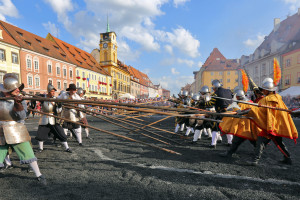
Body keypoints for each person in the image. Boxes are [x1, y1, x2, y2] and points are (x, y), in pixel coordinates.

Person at [0, 73, 46, 185]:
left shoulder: (21, 99)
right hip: (0, 129)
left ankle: (39, 175)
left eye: (18, 88)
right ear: (8, 89)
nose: (18, 90)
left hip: (16, 129)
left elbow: (22, 116)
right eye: (15, 88)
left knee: (28, 152)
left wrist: (18, 104)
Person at [246, 78, 298, 165]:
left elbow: (258, 111)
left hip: (271, 126)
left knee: (261, 141)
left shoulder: (267, 100)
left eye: (263, 89)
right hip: (276, 125)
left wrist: (248, 110)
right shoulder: (278, 98)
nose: (262, 91)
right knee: (279, 142)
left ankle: (254, 160)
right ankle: (288, 158)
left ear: (267, 90)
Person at [219, 89, 257, 157]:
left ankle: (229, 153)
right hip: (248, 126)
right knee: (251, 140)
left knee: (237, 141)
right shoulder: (250, 102)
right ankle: (258, 152)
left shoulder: (243, 104)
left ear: (238, 97)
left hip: (244, 126)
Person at [35, 84, 72, 153]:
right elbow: (36, 98)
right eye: (52, 91)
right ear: (48, 92)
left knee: (61, 133)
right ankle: (40, 148)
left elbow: (58, 111)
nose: (53, 93)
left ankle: (67, 147)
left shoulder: (56, 99)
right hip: (44, 118)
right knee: (41, 134)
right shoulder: (43, 98)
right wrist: (38, 96)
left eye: (54, 91)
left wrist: (59, 106)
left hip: (53, 118)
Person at [199, 80, 232, 148]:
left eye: (213, 88)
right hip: (231, 112)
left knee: (215, 128)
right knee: (228, 128)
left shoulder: (215, 93)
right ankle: (230, 142)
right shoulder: (229, 91)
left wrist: (203, 103)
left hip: (221, 113)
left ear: (214, 87)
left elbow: (210, 103)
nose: (213, 89)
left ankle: (213, 144)